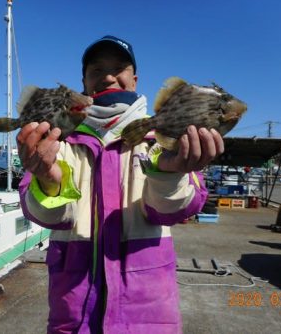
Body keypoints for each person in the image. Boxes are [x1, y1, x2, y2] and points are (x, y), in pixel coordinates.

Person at [17, 35, 224, 334]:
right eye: (97, 70)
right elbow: (45, 216)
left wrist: (169, 173)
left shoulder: (163, 137)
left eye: (119, 68)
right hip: (72, 313)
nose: (109, 76)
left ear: (135, 79)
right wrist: (48, 179)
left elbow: (172, 211)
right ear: (84, 82)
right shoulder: (59, 139)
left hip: (148, 314)